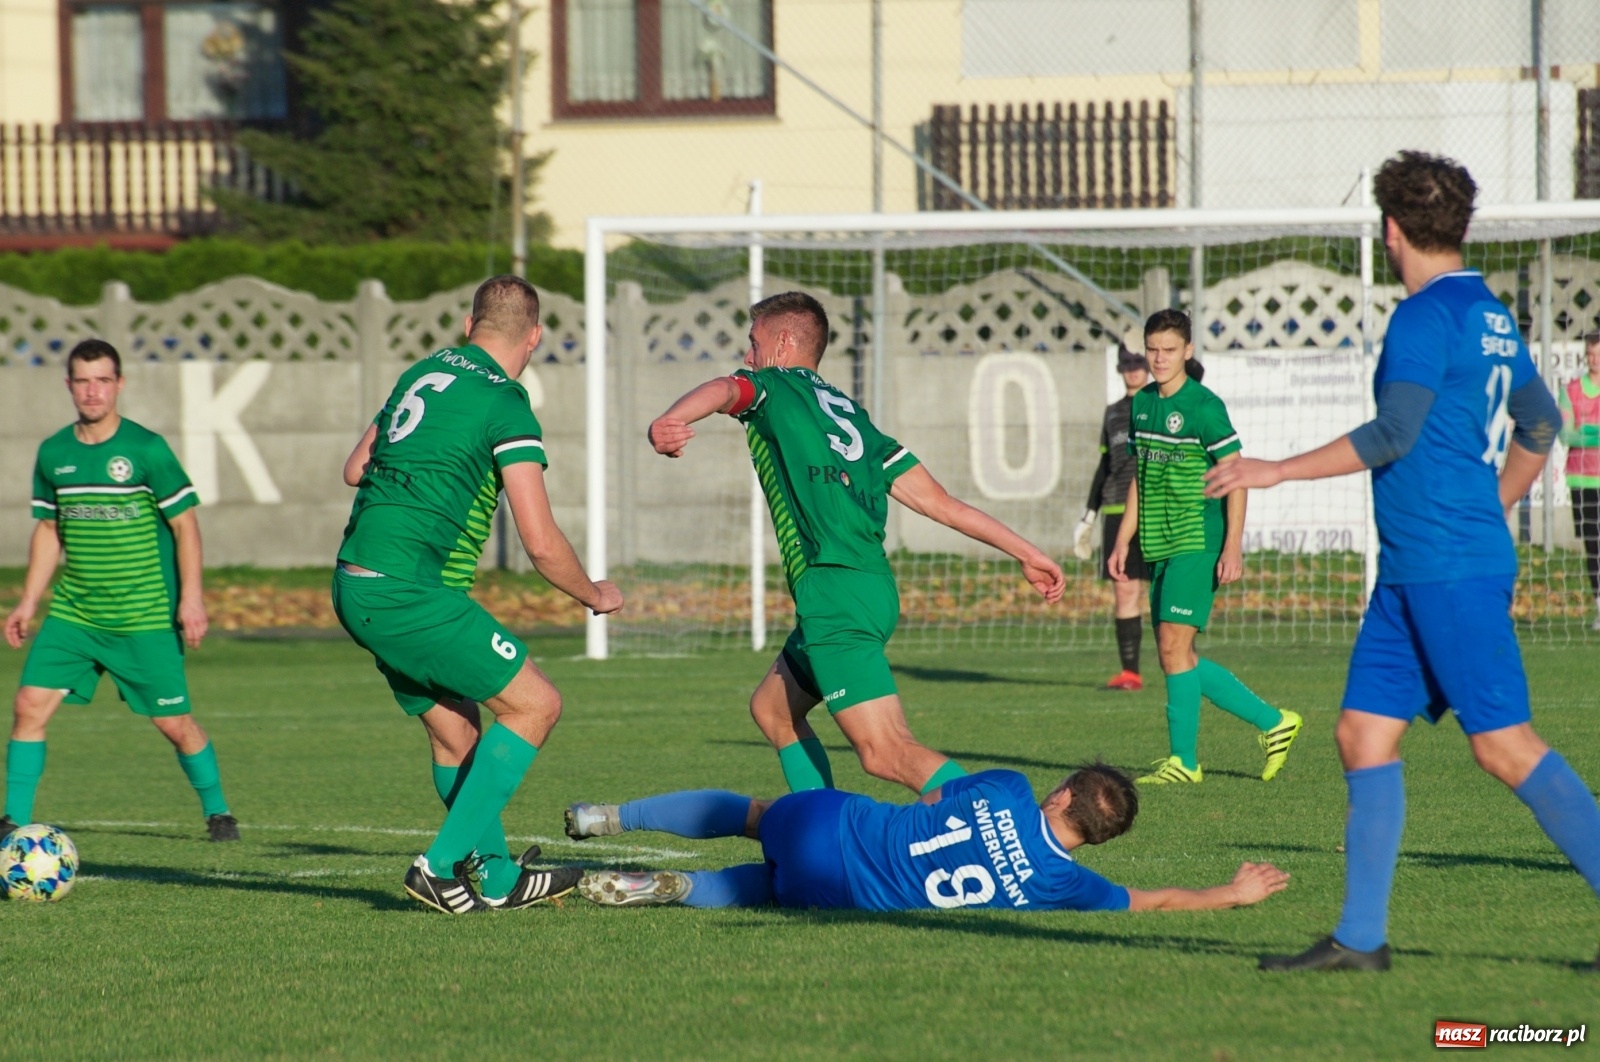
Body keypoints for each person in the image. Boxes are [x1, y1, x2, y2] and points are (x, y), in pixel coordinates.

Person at [1206, 150, 1600, 972]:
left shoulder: (1425, 317)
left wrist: (1270, 469)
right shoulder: (1488, 312)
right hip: (1417, 569)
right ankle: (1359, 940)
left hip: (1448, 568)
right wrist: (1490, 507)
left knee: (1504, 746)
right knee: (1361, 734)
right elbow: (1539, 427)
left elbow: (1393, 434)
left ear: (1390, 231)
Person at [647, 291, 1066, 800]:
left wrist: (671, 419)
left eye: (754, 344)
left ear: (782, 343)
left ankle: (1003, 829)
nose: (747, 357)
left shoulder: (770, 386)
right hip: (871, 587)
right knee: (774, 710)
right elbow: (942, 503)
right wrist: (1027, 551)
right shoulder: (851, 416)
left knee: (885, 751)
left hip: (833, 590)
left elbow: (723, 388)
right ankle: (818, 837)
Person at [334, 275, 622, 914]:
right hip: (411, 588)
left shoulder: (420, 374)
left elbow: (355, 468)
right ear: (535, 336)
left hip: (355, 581)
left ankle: (494, 878)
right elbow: (541, 543)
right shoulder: (506, 402)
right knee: (535, 706)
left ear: (470, 326)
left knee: (454, 737)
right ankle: (437, 868)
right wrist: (593, 594)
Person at [2, 339, 237, 843]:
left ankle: (219, 812)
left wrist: (191, 598)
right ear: (69, 386)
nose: (93, 391)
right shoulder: (54, 453)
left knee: (174, 724)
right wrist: (27, 601)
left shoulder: (147, 449)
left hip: (144, 616)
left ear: (119, 385)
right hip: (75, 614)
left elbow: (185, 526)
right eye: (83, 381)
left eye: (103, 380)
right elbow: (49, 530)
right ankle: (12, 821)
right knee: (28, 705)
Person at [561, 765, 1289, 913]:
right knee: (762, 891)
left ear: (1062, 793)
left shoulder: (1006, 788)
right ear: (1095, 840)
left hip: (833, 824)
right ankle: (675, 889)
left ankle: (608, 818)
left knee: (754, 814)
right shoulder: (1067, 884)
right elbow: (1151, 902)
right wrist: (1231, 891)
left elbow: (938, 794)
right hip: (844, 894)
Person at [1108, 310, 1302, 785]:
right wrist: (1123, 537)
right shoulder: (1141, 404)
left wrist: (1232, 546)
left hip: (1198, 539)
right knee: (1178, 654)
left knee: (1174, 647)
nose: (1158, 358)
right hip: (1159, 542)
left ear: (1188, 352)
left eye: (1168, 350)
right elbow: (1141, 477)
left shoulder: (1204, 407)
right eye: (1153, 349)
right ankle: (1275, 722)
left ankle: (1184, 762)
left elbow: (1236, 478)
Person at [1075, 341, 1153, 690]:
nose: (1134, 368)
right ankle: (1130, 672)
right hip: (1116, 510)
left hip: (1155, 511)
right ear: (1120, 368)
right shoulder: (1112, 413)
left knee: (1166, 591)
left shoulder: (1159, 404)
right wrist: (1089, 515)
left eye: (1139, 361)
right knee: (1125, 591)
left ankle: (1184, 662)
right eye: (1127, 363)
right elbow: (1104, 466)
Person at [1559, 332, 1600, 630]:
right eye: (1591, 354)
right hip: (1581, 479)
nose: (1594, 359)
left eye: (1598, 354)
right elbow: (1565, 434)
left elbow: (1578, 431)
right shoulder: (1571, 390)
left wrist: (1585, 431)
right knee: (1593, 545)